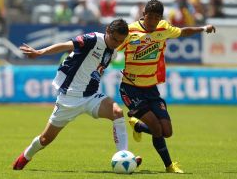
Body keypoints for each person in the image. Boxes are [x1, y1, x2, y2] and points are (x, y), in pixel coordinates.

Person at [12, 18, 141, 170]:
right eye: (114, 39)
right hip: (69, 98)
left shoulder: (112, 53)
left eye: (120, 41)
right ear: (107, 31)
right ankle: (25, 156)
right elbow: (66, 45)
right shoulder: (92, 39)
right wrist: (41, 52)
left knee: (117, 112)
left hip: (91, 96)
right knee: (46, 139)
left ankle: (124, 156)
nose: (115, 43)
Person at [117, 0, 216, 173]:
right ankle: (169, 166)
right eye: (150, 17)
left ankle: (138, 125)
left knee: (167, 131)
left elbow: (183, 32)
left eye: (157, 17)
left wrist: (202, 28)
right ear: (144, 14)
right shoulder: (130, 31)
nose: (153, 21)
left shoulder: (164, 28)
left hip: (151, 88)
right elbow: (110, 47)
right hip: (131, 88)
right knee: (156, 128)